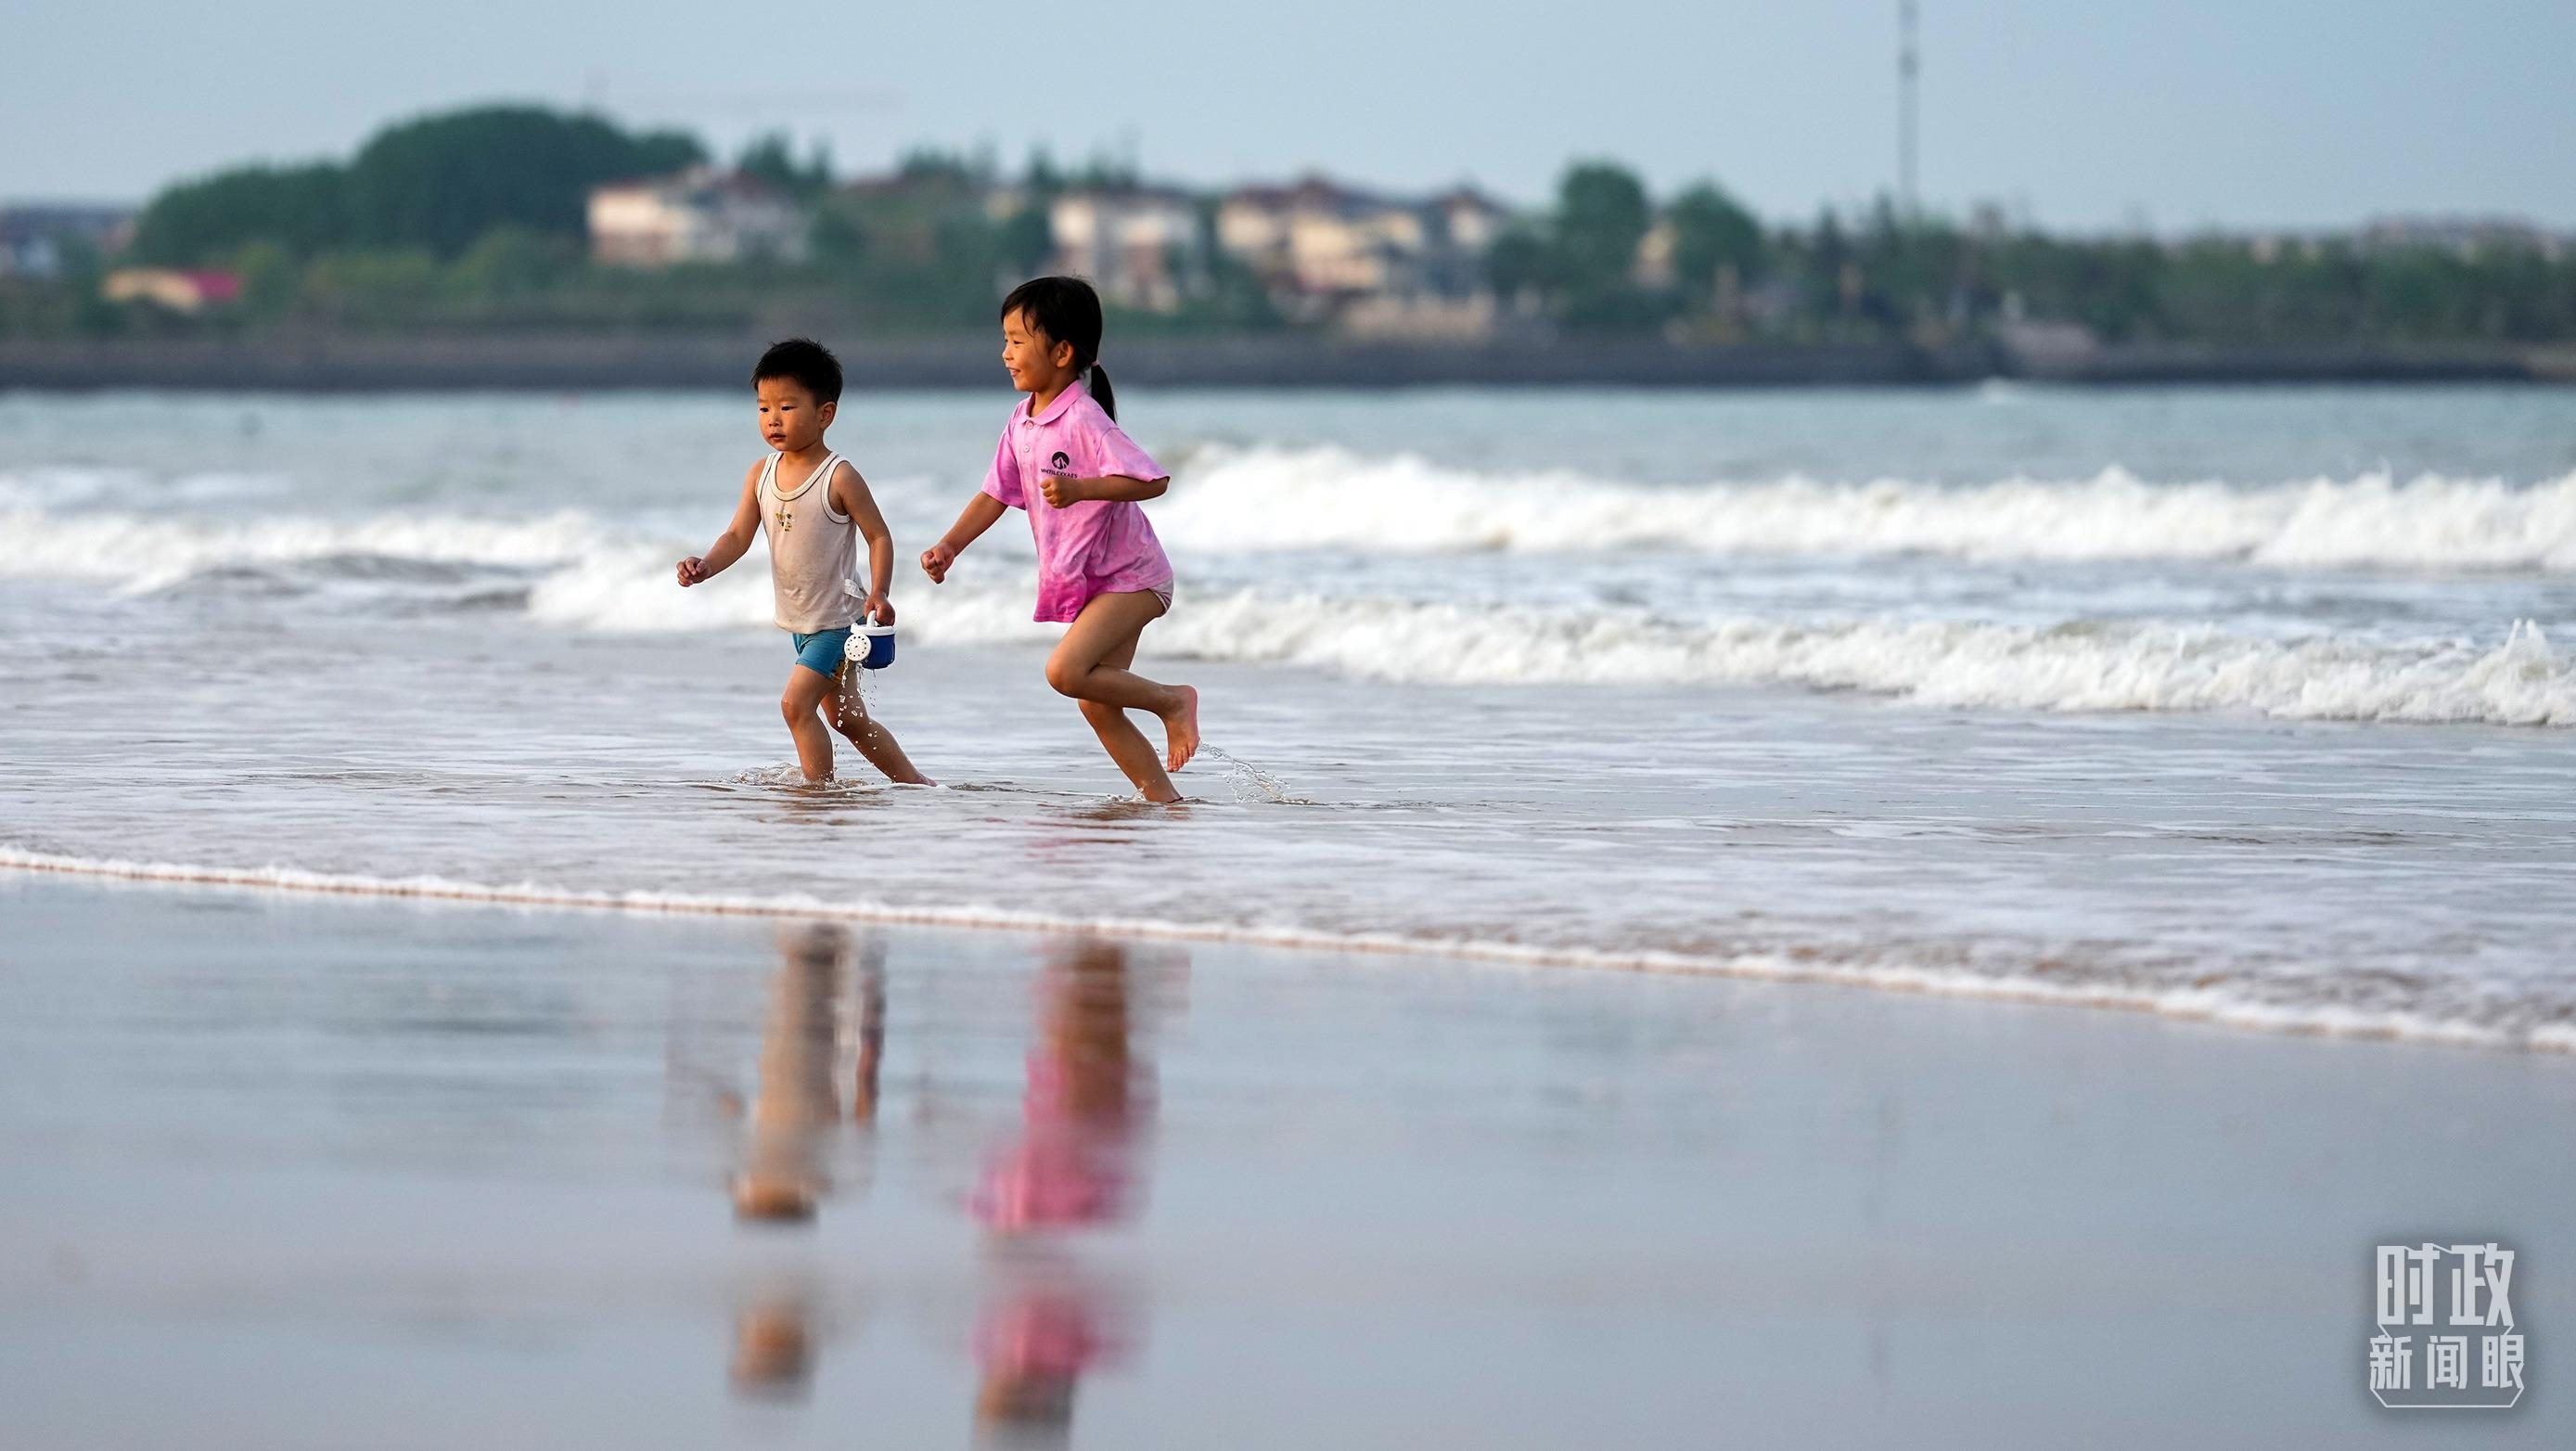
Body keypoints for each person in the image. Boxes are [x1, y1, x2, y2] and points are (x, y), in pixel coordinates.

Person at [919, 278, 1199, 802]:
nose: (1005, 354)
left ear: (1063, 351)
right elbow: (994, 494)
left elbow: (1152, 481)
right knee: (1095, 700)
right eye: (1004, 340)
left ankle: (1172, 702)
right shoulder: (1022, 422)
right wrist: (950, 546)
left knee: (1065, 672)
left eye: (1017, 341)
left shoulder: (1083, 417)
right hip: (1098, 584)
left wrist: (1080, 488)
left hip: (1135, 579)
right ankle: (1165, 803)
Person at [677, 338, 931, 785]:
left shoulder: (839, 476)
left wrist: (880, 592)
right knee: (848, 719)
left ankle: (817, 791)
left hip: (836, 621)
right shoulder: (761, 473)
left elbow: (879, 535)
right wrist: (706, 566)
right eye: (763, 408)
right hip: (801, 622)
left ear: (824, 414)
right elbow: (738, 535)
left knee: (796, 706)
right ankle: (915, 783)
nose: (773, 419)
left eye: (787, 407)